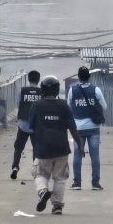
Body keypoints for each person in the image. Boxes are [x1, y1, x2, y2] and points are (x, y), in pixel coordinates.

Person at [29, 76, 84, 215]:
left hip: (42, 147)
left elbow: (31, 128)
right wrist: (79, 144)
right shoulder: (64, 105)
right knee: (60, 178)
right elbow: (72, 128)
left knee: (40, 174)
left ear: (42, 89)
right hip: (61, 148)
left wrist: (35, 145)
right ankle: (57, 206)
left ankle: (42, 192)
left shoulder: (36, 106)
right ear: (57, 89)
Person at [67, 66, 107, 190]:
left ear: (78, 77)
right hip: (94, 127)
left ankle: (77, 183)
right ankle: (95, 183)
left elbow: (69, 107)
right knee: (95, 155)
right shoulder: (96, 90)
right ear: (89, 77)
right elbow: (104, 106)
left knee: (77, 155)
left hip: (78, 128)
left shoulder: (72, 90)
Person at [10, 70, 41, 180]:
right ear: (38, 80)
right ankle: (36, 170)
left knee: (18, 147)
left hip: (23, 124)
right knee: (36, 148)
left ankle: (15, 167)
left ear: (28, 79)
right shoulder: (41, 92)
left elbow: (18, 104)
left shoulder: (22, 91)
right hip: (36, 126)